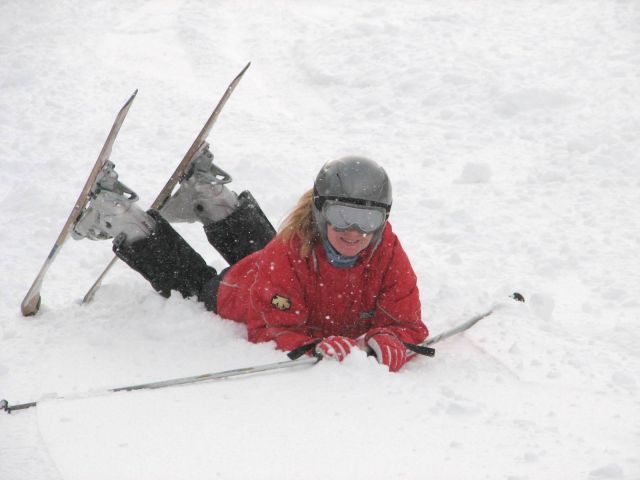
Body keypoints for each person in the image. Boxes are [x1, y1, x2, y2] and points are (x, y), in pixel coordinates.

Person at [73, 144, 429, 372]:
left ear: (384, 220)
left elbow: (408, 323)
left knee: (271, 252)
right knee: (196, 284)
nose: (354, 232)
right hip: (243, 293)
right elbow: (270, 329)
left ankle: (211, 197)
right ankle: (124, 218)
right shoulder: (289, 256)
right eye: (341, 216)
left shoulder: (386, 251)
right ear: (320, 212)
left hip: (276, 275)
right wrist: (312, 347)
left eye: (368, 220)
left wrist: (392, 341)